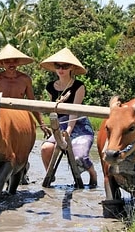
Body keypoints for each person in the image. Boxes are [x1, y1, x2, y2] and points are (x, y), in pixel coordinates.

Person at [0, 44, 51, 184]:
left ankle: (22, 169)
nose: (11, 64)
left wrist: (41, 123)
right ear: (2, 63)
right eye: (7, 61)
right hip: (2, 118)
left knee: (23, 149)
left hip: (21, 119)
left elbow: (31, 101)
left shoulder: (25, 79)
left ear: (18, 63)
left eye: (14, 61)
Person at [40, 47, 97, 188]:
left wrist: (68, 132)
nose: (61, 69)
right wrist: (55, 129)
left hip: (79, 125)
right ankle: (50, 174)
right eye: (58, 66)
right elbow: (54, 111)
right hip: (60, 124)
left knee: (80, 158)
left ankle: (93, 174)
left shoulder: (79, 86)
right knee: (45, 148)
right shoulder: (50, 87)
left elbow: (74, 111)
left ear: (71, 67)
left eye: (65, 66)